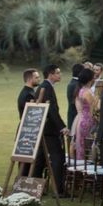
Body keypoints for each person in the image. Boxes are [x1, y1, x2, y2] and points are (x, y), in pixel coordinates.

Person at [31, 64, 66, 194]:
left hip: (43, 130)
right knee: (58, 158)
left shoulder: (45, 87)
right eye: (57, 72)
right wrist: (62, 127)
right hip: (49, 131)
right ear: (50, 74)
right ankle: (58, 190)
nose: (60, 75)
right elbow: (51, 111)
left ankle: (35, 188)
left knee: (40, 159)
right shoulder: (46, 88)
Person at [72, 67, 96, 158]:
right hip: (87, 121)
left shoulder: (80, 90)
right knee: (87, 146)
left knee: (81, 145)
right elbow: (93, 108)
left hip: (81, 119)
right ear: (90, 79)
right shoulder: (88, 92)